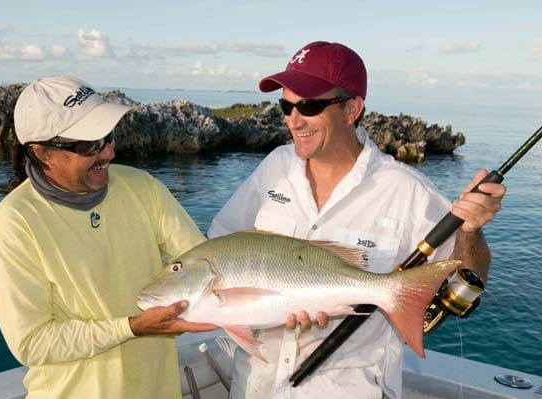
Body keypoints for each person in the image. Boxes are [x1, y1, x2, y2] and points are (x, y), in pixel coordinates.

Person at [208, 41, 505, 398]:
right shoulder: (274, 167)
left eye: (310, 105)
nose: (294, 120)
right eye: (285, 106)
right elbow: (223, 245)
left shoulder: (405, 190)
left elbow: (466, 288)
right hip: (256, 386)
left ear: (352, 108)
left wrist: (471, 231)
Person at [0, 75, 216, 399]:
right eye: (89, 145)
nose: (108, 153)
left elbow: (208, 263)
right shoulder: (13, 225)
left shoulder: (142, 187)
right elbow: (32, 343)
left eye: (108, 136)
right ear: (43, 153)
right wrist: (131, 327)